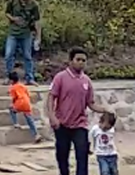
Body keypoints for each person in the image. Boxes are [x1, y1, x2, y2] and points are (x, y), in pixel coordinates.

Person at [48, 47, 107, 175]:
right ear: (70, 61)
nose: (81, 62)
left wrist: (104, 110)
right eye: (78, 59)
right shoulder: (60, 77)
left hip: (80, 124)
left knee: (82, 154)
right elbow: (51, 97)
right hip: (62, 124)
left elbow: (90, 103)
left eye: (84, 60)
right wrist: (52, 117)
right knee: (62, 155)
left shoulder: (86, 81)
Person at [5, 0, 41, 85]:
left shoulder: (34, 5)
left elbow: (37, 21)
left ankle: (30, 78)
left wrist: (38, 37)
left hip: (26, 34)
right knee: (9, 54)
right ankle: (9, 76)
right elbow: (7, 12)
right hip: (13, 33)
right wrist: (13, 19)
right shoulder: (13, 1)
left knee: (28, 56)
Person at [8, 70, 41, 142]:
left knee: (11, 109)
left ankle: (16, 123)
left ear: (11, 80)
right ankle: (36, 134)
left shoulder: (13, 88)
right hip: (26, 102)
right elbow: (27, 95)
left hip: (19, 102)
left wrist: (13, 105)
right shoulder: (23, 86)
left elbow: (14, 98)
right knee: (29, 119)